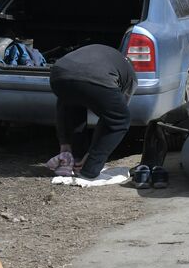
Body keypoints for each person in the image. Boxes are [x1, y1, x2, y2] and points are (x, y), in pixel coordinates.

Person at [45, 43, 136, 182]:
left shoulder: (106, 56)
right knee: (120, 120)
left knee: (72, 102)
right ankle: (89, 170)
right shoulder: (131, 77)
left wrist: (65, 143)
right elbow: (111, 120)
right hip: (95, 77)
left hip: (58, 74)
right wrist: (91, 154)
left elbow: (64, 106)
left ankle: (74, 158)